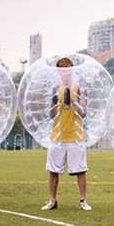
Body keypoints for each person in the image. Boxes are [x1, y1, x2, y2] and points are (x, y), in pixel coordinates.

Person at [41, 57, 91, 211]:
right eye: (62, 71)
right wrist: (55, 103)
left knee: (80, 169)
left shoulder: (80, 89)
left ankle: (83, 200)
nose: (65, 74)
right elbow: (50, 114)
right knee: (53, 170)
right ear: (59, 73)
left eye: (68, 70)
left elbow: (83, 113)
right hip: (58, 135)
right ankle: (52, 200)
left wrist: (73, 102)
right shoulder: (55, 90)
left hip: (75, 135)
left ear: (72, 71)